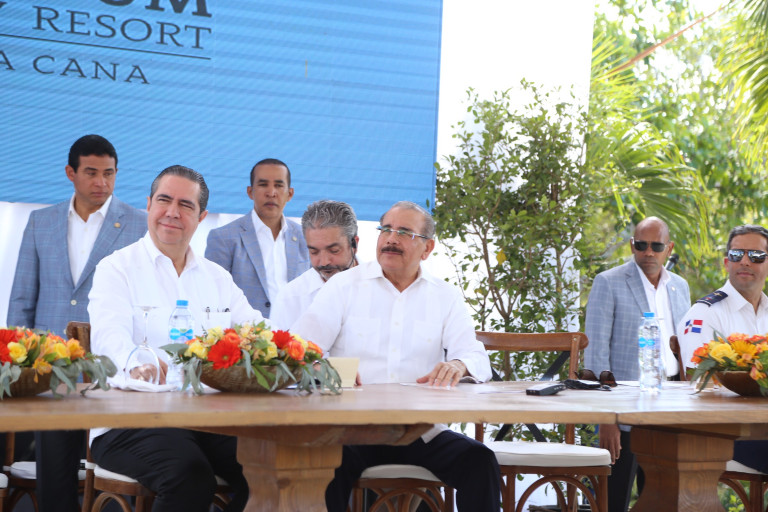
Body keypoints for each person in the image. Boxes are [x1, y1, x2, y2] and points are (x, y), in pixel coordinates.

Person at [292, 201, 501, 512]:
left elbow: (476, 357)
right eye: (386, 229)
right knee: (327, 465)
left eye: (404, 232)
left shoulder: (444, 296)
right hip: (353, 430)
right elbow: (299, 350)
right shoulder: (343, 287)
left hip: (419, 431)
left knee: (479, 460)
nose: (391, 239)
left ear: (427, 248)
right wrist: (321, 366)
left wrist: (459, 364)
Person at [88, 165, 265, 512]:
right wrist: (137, 364)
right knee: (189, 475)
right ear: (148, 204)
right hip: (130, 422)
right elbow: (109, 338)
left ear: (201, 216)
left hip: (207, 420)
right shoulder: (116, 268)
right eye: (164, 200)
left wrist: (307, 357)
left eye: (185, 205)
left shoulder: (217, 278)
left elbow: (258, 332)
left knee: (268, 468)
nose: (172, 212)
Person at [7, 134, 147, 512]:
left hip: (111, 363)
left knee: (116, 465)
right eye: (91, 173)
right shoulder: (40, 221)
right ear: (70, 173)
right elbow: (22, 298)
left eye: (109, 173)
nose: (101, 182)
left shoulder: (139, 223)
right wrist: (17, 364)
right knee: (54, 469)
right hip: (50, 365)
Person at [584, 216, 691, 512]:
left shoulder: (679, 286)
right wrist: (607, 419)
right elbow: (596, 354)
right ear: (632, 245)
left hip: (671, 404)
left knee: (662, 498)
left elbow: (685, 347)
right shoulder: (608, 282)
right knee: (613, 498)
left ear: (669, 248)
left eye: (656, 246)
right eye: (642, 245)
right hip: (624, 405)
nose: (648, 252)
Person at [677, 224, 768, 473]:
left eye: (757, 255)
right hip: (726, 432)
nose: (745, 261)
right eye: (737, 255)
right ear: (727, 262)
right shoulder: (705, 313)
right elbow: (698, 383)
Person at [205, 158, 309, 317]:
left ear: (290, 194)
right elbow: (213, 299)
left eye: (279, 185)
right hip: (245, 330)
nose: (271, 193)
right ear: (250, 192)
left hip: (296, 330)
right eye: (263, 184)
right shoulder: (223, 238)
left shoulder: (306, 237)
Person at [270, 199, 359, 330]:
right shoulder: (289, 299)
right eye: (314, 252)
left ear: (354, 244)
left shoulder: (382, 285)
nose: (324, 262)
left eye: (334, 250)